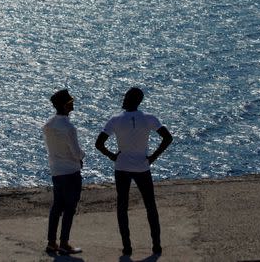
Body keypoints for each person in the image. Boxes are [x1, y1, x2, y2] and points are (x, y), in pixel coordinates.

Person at [95, 87, 173, 256]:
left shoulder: (115, 120)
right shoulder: (149, 119)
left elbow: (99, 144)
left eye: (125, 96)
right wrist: (153, 157)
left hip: (122, 167)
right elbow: (168, 138)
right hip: (142, 166)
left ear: (128, 99)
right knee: (150, 206)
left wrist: (112, 156)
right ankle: (156, 245)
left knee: (122, 207)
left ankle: (127, 246)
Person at [43, 89, 84, 255]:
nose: (73, 104)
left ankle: (51, 242)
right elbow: (76, 152)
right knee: (69, 208)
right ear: (65, 106)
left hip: (56, 170)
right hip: (71, 171)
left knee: (56, 207)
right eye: (70, 102)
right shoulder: (68, 127)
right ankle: (64, 243)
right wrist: (82, 156)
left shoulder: (48, 124)